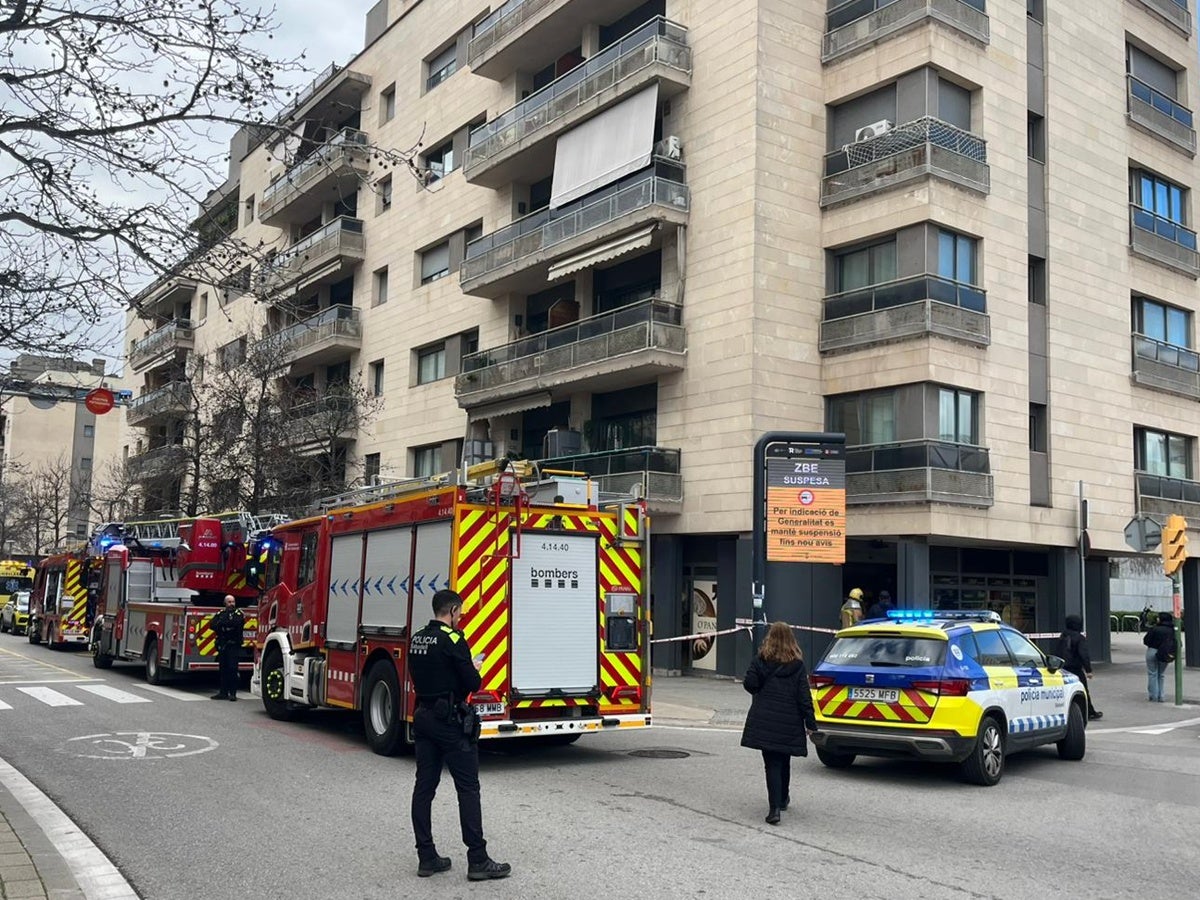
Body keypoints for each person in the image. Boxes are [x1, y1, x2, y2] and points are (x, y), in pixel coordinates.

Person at [408, 589, 510, 881]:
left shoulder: (418, 637)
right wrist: (474, 666)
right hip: (450, 721)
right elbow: (473, 683)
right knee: (468, 788)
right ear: (451, 610)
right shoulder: (453, 640)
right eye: (460, 611)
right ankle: (478, 859)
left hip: (423, 716)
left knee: (424, 788)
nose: (462, 616)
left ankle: (426, 857)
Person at [740, 622, 817, 825]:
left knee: (771, 763)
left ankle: (774, 809)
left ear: (769, 639)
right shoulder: (798, 666)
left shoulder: (760, 660)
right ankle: (783, 798)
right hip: (789, 720)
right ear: (791, 640)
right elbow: (804, 697)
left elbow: (750, 684)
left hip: (765, 718)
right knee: (784, 759)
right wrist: (810, 723)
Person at [1056, 614, 1101, 720]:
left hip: (1062, 669)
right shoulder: (1079, 638)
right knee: (1083, 690)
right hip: (1075, 669)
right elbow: (1083, 654)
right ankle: (1089, 711)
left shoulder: (1063, 636)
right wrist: (1088, 670)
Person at [210, 594, 244, 701]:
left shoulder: (239, 614)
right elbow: (213, 625)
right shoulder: (221, 613)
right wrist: (225, 625)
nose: (231, 604)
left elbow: (237, 623)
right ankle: (223, 693)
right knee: (223, 669)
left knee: (233, 669)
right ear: (225, 603)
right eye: (229, 602)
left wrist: (223, 624)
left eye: (233, 602)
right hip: (223, 645)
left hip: (233, 645)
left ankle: (233, 693)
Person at [1142, 612, 1177, 703]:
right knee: (1161, 675)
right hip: (1165, 653)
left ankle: (1153, 696)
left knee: (1152, 673)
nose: (1157, 619)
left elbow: (1146, 640)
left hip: (1152, 651)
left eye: (1158, 617)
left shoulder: (1155, 629)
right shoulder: (1172, 630)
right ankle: (1161, 696)